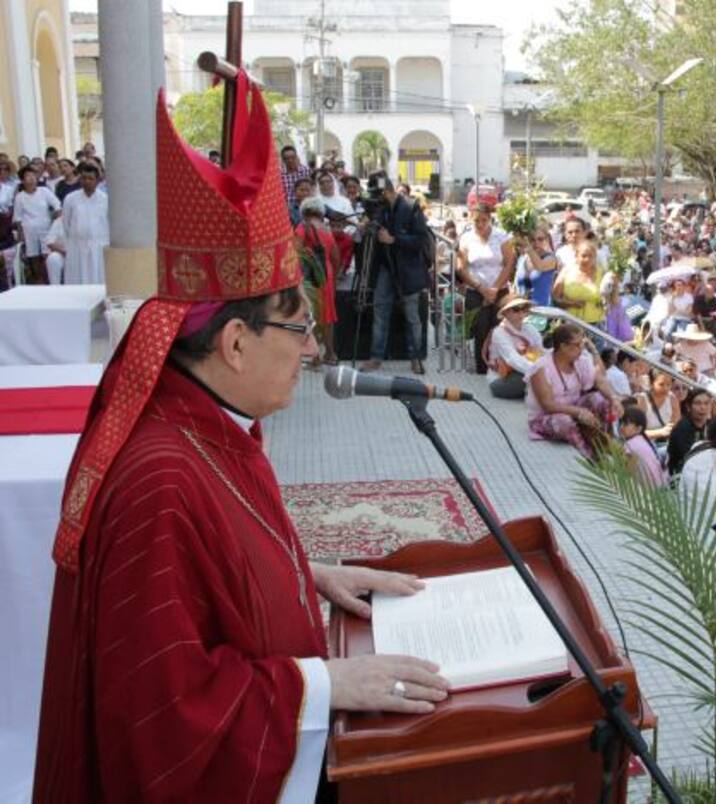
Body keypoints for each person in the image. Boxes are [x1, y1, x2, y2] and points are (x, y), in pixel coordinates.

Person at [34, 79, 449, 801]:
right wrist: (325, 683)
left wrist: (307, 571)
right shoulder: (159, 480)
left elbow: (214, 566)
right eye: (298, 329)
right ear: (232, 342)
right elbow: (161, 715)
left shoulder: (207, 423)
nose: (314, 349)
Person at [362, 178, 430, 374]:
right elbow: (375, 231)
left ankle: (415, 358)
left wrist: (394, 239)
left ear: (386, 192)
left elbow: (420, 239)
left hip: (408, 269)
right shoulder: (380, 209)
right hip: (385, 268)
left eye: (377, 194)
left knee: (412, 316)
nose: (375, 199)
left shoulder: (411, 206)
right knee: (380, 313)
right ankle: (376, 357)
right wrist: (369, 229)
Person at [526, 324, 622, 458]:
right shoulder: (541, 368)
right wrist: (578, 412)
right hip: (548, 415)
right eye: (577, 345)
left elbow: (600, 378)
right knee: (564, 421)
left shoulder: (581, 359)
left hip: (576, 409)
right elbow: (547, 405)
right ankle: (589, 455)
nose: (581, 349)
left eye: (582, 344)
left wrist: (614, 398)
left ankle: (607, 442)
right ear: (563, 346)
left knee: (601, 400)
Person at [458, 201, 515, 374]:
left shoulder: (502, 236)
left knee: (499, 329)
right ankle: (482, 367)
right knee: (480, 327)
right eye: (477, 221)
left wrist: (495, 289)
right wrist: (481, 288)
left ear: (490, 219)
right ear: (471, 220)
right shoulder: (466, 238)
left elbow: (508, 263)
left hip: (499, 290)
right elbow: (461, 267)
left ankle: (501, 366)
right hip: (476, 290)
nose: (481, 224)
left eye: (484, 220)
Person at [294, 197, 341, 366]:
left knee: (311, 313)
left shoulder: (302, 227)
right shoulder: (326, 228)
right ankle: (331, 353)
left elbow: (296, 253)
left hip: (309, 275)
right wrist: (334, 277)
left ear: (304, 211)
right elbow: (336, 256)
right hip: (325, 273)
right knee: (327, 315)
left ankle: (315, 358)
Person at [58, 162, 108, 285]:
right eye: (84, 178)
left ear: (97, 181)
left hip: (98, 246)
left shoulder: (105, 199)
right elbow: (66, 223)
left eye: (91, 178)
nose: (87, 181)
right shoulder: (70, 198)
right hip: (77, 246)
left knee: (97, 279)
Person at [485, 296, 543, 399]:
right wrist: (541, 372)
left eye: (524, 309)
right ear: (505, 313)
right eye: (516, 309)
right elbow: (512, 359)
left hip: (526, 370)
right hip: (502, 378)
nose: (521, 313)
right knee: (529, 378)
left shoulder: (530, 329)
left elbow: (542, 351)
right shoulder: (499, 332)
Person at [12, 164, 60, 284]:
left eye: (33, 175)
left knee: (47, 254)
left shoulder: (44, 191)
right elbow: (18, 217)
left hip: (45, 227)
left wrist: (56, 217)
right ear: (22, 180)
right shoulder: (20, 197)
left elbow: (57, 205)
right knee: (33, 255)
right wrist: (20, 234)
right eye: (28, 176)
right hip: (29, 229)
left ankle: (49, 278)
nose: (32, 178)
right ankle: (38, 279)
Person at [553, 238, 607, 331]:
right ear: (576, 256)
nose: (587, 259)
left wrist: (604, 302)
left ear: (595, 257)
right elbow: (555, 297)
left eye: (591, 256)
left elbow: (610, 300)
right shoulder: (567, 271)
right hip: (571, 324)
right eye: (584, 256)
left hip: (596, 325)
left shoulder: (602, 273)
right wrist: (570, 304)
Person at [666, 388, 714, 475]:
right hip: (681, 477)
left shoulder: (710, 425)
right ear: (688, 407)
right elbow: (689, 459)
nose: (703, 407)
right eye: (697, 403)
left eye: (706, 403)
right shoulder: (682, 428)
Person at [619, 406, 667, 488]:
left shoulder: (630, 445)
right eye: (621, 423)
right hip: (661, 484)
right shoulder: (642, 440)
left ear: (638, 429)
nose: (621, 427)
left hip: (647, 490)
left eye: (626, 424)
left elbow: (629, 472)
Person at [515, 228, 559, 307]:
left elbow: (540, 266)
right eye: (532, 240)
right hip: (522, 310)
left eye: (540, 239)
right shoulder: (522, 259)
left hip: (543, 309)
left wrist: (528, 248)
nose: (536, 243)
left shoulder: (550, 258)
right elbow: (516, 285)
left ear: (547, 240)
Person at [638, 368, 681, 443]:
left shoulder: (672, 398)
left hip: (665, 444)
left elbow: (675, 423)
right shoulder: (642, 399)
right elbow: (637, 432)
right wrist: (660, 432)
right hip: (645, 443)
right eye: (661, 384)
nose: (666, 388)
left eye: (669, 384)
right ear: (651, 383)